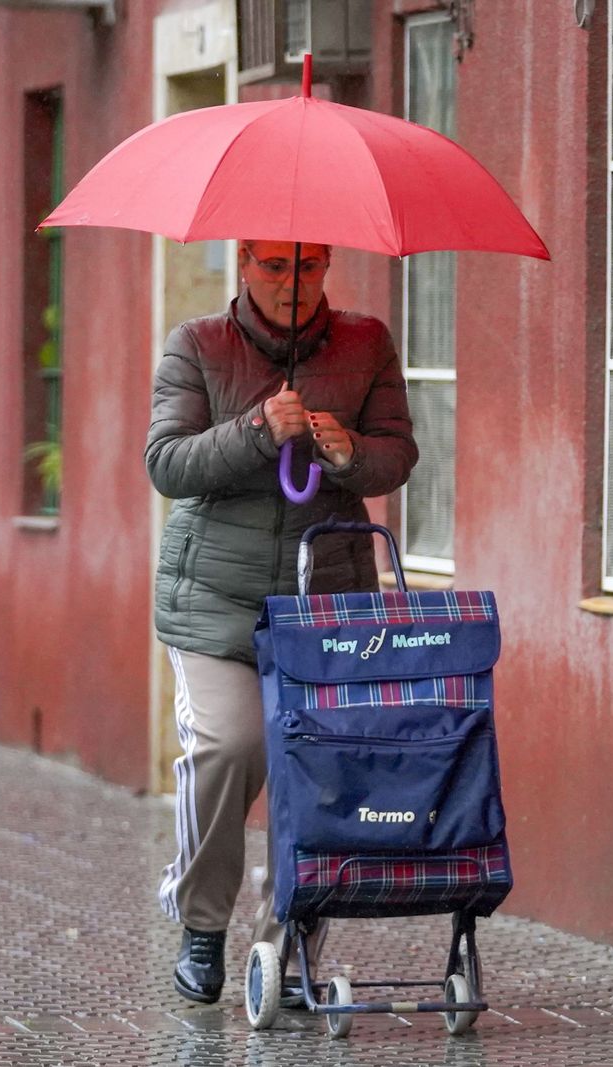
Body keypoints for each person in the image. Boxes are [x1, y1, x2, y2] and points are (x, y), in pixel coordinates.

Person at [145, 239, 418, 1004]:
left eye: (305, 266)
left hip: (324, 595)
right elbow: (167, 462)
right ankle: (202, 926)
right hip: (214, 599)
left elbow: (397, 454)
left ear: (324, 264)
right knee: (229, 746)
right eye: (273, 267)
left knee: (320, 767)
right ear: (244, 265)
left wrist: (347, 450)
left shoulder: (366, 344)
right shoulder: (197, 345)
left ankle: (291, 940)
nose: (291, 282)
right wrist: (258, 431)